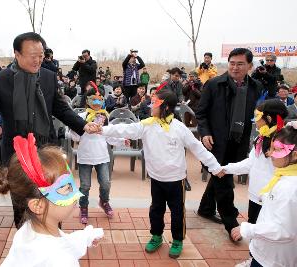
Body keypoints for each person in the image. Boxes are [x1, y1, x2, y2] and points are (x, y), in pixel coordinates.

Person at [0, 32, 99, 229]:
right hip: (17, 156)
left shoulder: (49, 77)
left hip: (47, 152)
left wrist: (83, 125)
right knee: (22, 207)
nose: (38, 60)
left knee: (54, 201)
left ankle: (53, 241)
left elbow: (60, 108)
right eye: (32, 55)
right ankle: (26, 245)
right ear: (17, 54)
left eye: (41, 55)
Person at [101, 90, 223, 258]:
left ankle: (178, 240)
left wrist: (215, 167)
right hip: (156, 178)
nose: (151, 107)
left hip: (176, 180)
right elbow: (125, 129)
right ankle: (156, 236)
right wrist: (101, 129)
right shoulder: (147, 125)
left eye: (155, 104)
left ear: (165, 107)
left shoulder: (179, 128)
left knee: (177, 211)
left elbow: (197, 148)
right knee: (156, 210)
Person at [0, 134, 104, 267]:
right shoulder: (61, 260)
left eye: (73, 186)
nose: (78, 195)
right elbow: (61, 250)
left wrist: (86, 237)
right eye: (67, 189)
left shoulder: (28, 231)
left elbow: (63, 243)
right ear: (37, 206)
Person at [196, 48, 263, 238]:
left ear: (249, 66)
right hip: (216, 142)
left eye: (240, 64)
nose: (235, 67)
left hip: (239, 141)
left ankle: (206, 209)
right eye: (232, 63)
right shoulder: (213, 84)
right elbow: (201, 113)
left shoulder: (255, 87)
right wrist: (205, 133)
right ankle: (231, 222)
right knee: (223, 179)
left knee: (222, 174)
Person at [223, 99, 288, 267]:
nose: (255, 121)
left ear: (269, 118)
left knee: (267, 233)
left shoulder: (282, 144)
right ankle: (253, 259)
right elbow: (250, 163)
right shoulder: (261, 138)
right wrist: (226, 169)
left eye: (258, 117)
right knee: (255, 228)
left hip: (271, 198)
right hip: (255, 195)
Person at [230, 124, 297, 267]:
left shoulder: (290, 187)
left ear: (295, 154)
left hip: (274, 259)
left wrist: (248, 229)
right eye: (271, 148)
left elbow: (284, 230)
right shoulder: (283, 176)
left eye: (277, 150)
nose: (270, 153)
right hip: (267, 253)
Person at [68, 86, 127, 224]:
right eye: (93, 99)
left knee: (106, 183)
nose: (96, 103)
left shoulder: (105, 116)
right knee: (85, 186)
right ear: (87, 101)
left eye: (99, 99)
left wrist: (122, 141)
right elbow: (75, 137)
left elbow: (110, 136)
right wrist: (75, 129)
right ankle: (83, 207)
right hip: (85, 156)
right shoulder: (81, 117)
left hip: (102, 156)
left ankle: (104, 202)